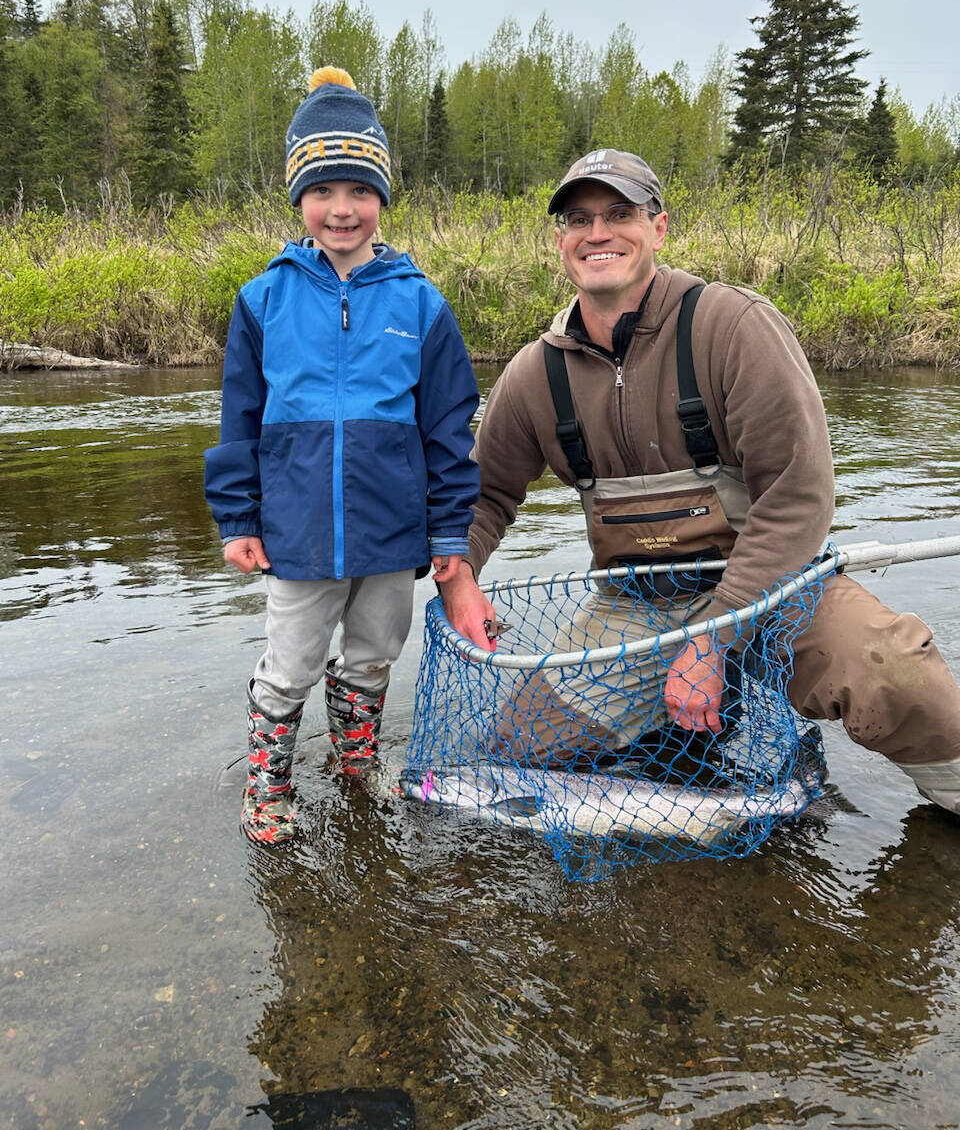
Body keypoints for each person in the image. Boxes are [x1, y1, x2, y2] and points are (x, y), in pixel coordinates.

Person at [441, 147, 960, 815]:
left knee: (899, 679)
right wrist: (459, 579)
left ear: (658, 228)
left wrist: (712, 636)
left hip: (778, 588)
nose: (598, 233)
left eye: (619, 213)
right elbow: (483, 497)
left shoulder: (733, 326)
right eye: (579, 219)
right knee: (514, 759)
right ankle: (673, 737)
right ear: (560, 242)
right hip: (638, 607)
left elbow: (797, 498)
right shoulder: (533, 375)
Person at [204, 67, 480, 845]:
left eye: (359, 190)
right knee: (289, 663)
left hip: (393, 533)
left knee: (372, 656)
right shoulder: (263, 299)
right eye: (323, 190)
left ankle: (355, 760)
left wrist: (449, 533)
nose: (342, 209)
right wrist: (237, 518)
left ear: (382, 199)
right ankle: (269, 783)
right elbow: (240, 421)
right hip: (295, 533)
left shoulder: (422, 302)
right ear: (299, 200)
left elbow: (450, 430)